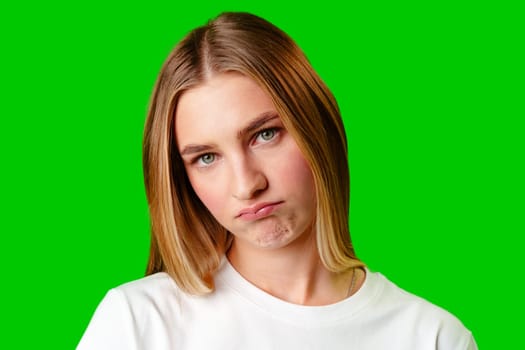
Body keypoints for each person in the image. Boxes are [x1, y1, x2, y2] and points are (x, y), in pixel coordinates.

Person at [77, 12, 477, 350]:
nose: (246, 184)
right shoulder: (137, 324)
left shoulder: (431, 337)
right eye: (206, 157)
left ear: (316, 126)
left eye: (265, 134)